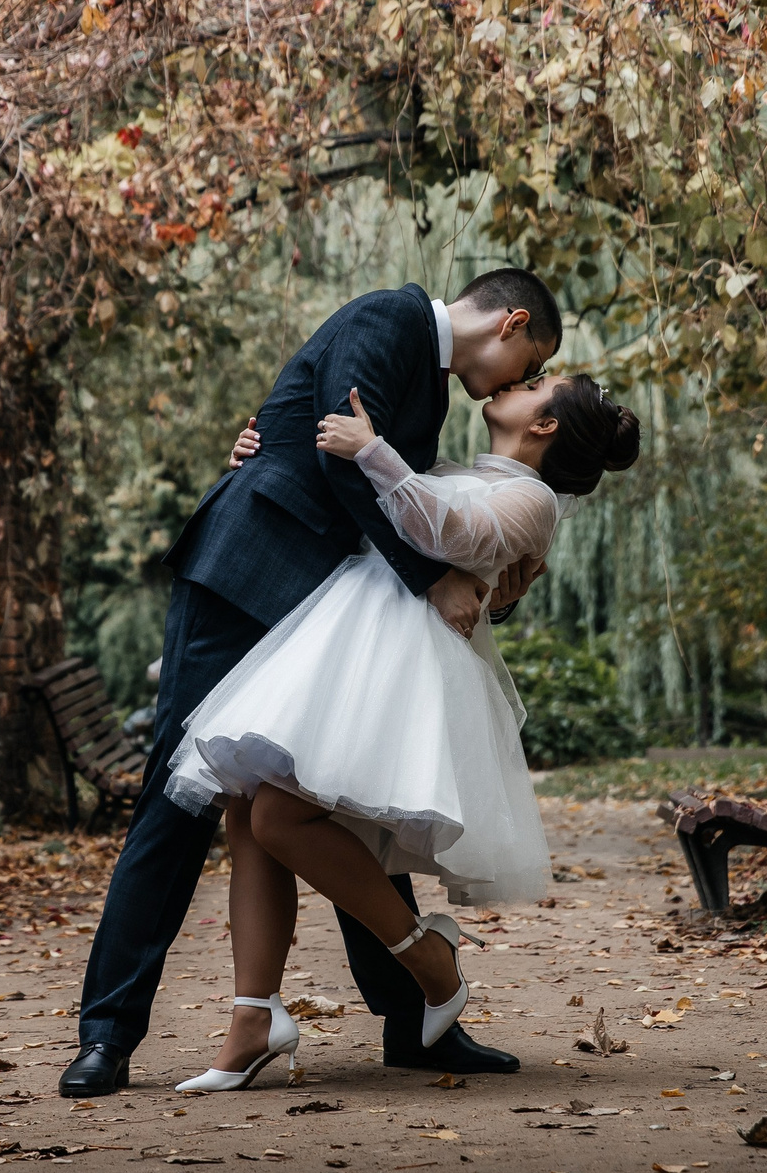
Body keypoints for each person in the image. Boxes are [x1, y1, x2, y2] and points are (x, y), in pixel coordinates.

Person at [58, 271, 561, 1098]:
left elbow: (407, 498)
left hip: (322, 603)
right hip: (246, 574)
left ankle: (413, 1021)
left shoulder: (429, 383)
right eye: (529, 363)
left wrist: (484, 582)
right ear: (510, 323)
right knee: (177, 799)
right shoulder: (391, 319)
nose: (517, 382)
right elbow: (341, 462)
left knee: (354, 795)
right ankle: (107, 1034)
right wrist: (429, 578)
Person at [163, 372, 640, 1089]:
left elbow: (446, 531)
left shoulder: (535, 501)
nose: (520, 380)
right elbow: (365, 509)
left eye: (540, 382)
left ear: (545, 425)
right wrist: (259, 456)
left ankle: (427, 959)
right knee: (248, 807)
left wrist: (372, 450)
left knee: (280, 817)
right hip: (339, 642)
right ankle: (252, 1018)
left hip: (398, 666)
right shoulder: (452, 469)